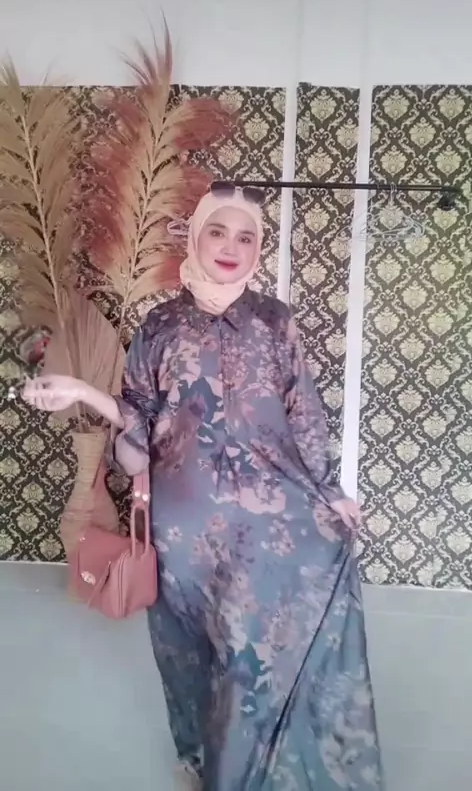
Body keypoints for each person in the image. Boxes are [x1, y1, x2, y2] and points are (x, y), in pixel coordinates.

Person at [24, 185, 384, 791]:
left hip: (268, 516)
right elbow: (138, 417)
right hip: (186, 523)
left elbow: (305, 414)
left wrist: (331, 491)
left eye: (246, 237)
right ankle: (199, 756)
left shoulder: (275, 321)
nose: (231, 247)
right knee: (191, 649)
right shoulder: (161, 324)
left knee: (255, 646)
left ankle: (257, 771)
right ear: (196, 237)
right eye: (218, 231)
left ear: (258, 249)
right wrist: (84, 393)